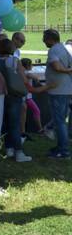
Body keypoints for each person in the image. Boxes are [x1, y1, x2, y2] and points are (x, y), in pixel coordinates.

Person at [0, 38, 32, 162]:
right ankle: (19, 152)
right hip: (14, 95)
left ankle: (9, 148)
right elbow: (24, 79)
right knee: (15, 124)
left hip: (1, 95)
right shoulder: (15, 61)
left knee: (4, 122)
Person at [42, 29, 72, 159]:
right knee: (61, 120)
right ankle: (61, 146)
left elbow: (56, 67)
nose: (43, 41)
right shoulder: (63, 48)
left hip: (58, 90)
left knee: (59, 121)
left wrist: (66, 70)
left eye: (44, 38)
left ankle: (63, 150)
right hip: (66, 89)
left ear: (50, 39)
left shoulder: (54, 50)